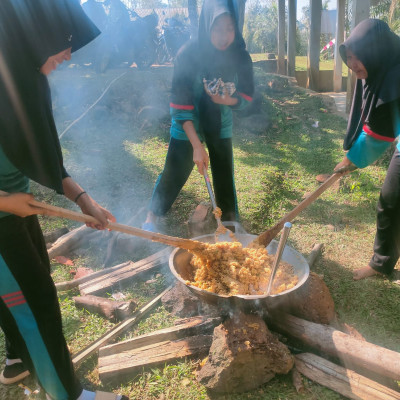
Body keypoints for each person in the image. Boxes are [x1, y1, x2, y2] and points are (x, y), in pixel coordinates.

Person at [0, 1, 128, 399]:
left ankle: (18, 359)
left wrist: (83, 200)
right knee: (36, 302)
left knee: (23, 289)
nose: (70, 53)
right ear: (31, 35)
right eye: (64, 40)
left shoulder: (23, 79)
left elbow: (43, 157)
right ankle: (67, 395)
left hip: (17, 206)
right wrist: (5, 204)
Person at [143, 0, 254, 231]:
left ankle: (229, 223)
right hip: (187, 122)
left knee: (224, 172)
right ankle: (151, 217)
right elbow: (181, 104)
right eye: (217, 28)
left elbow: (248, 97)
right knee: (175, 169)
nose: (223, 36)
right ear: (206, 26)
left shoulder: (240, 56)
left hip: (220, 120)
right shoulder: (188, 54)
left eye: (229, 29)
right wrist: (196, 145)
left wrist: (228, 101)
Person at [334, 19, 400, 281]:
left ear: (374, 53)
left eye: (356, 57)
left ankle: (381, 264)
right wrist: (350, 159)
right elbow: (377, 127)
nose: (352, 65)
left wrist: (350, 160)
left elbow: (378, 132)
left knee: (390, 200)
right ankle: (383, 262)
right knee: (392, 201)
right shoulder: (382, 70)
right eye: (348, 58)